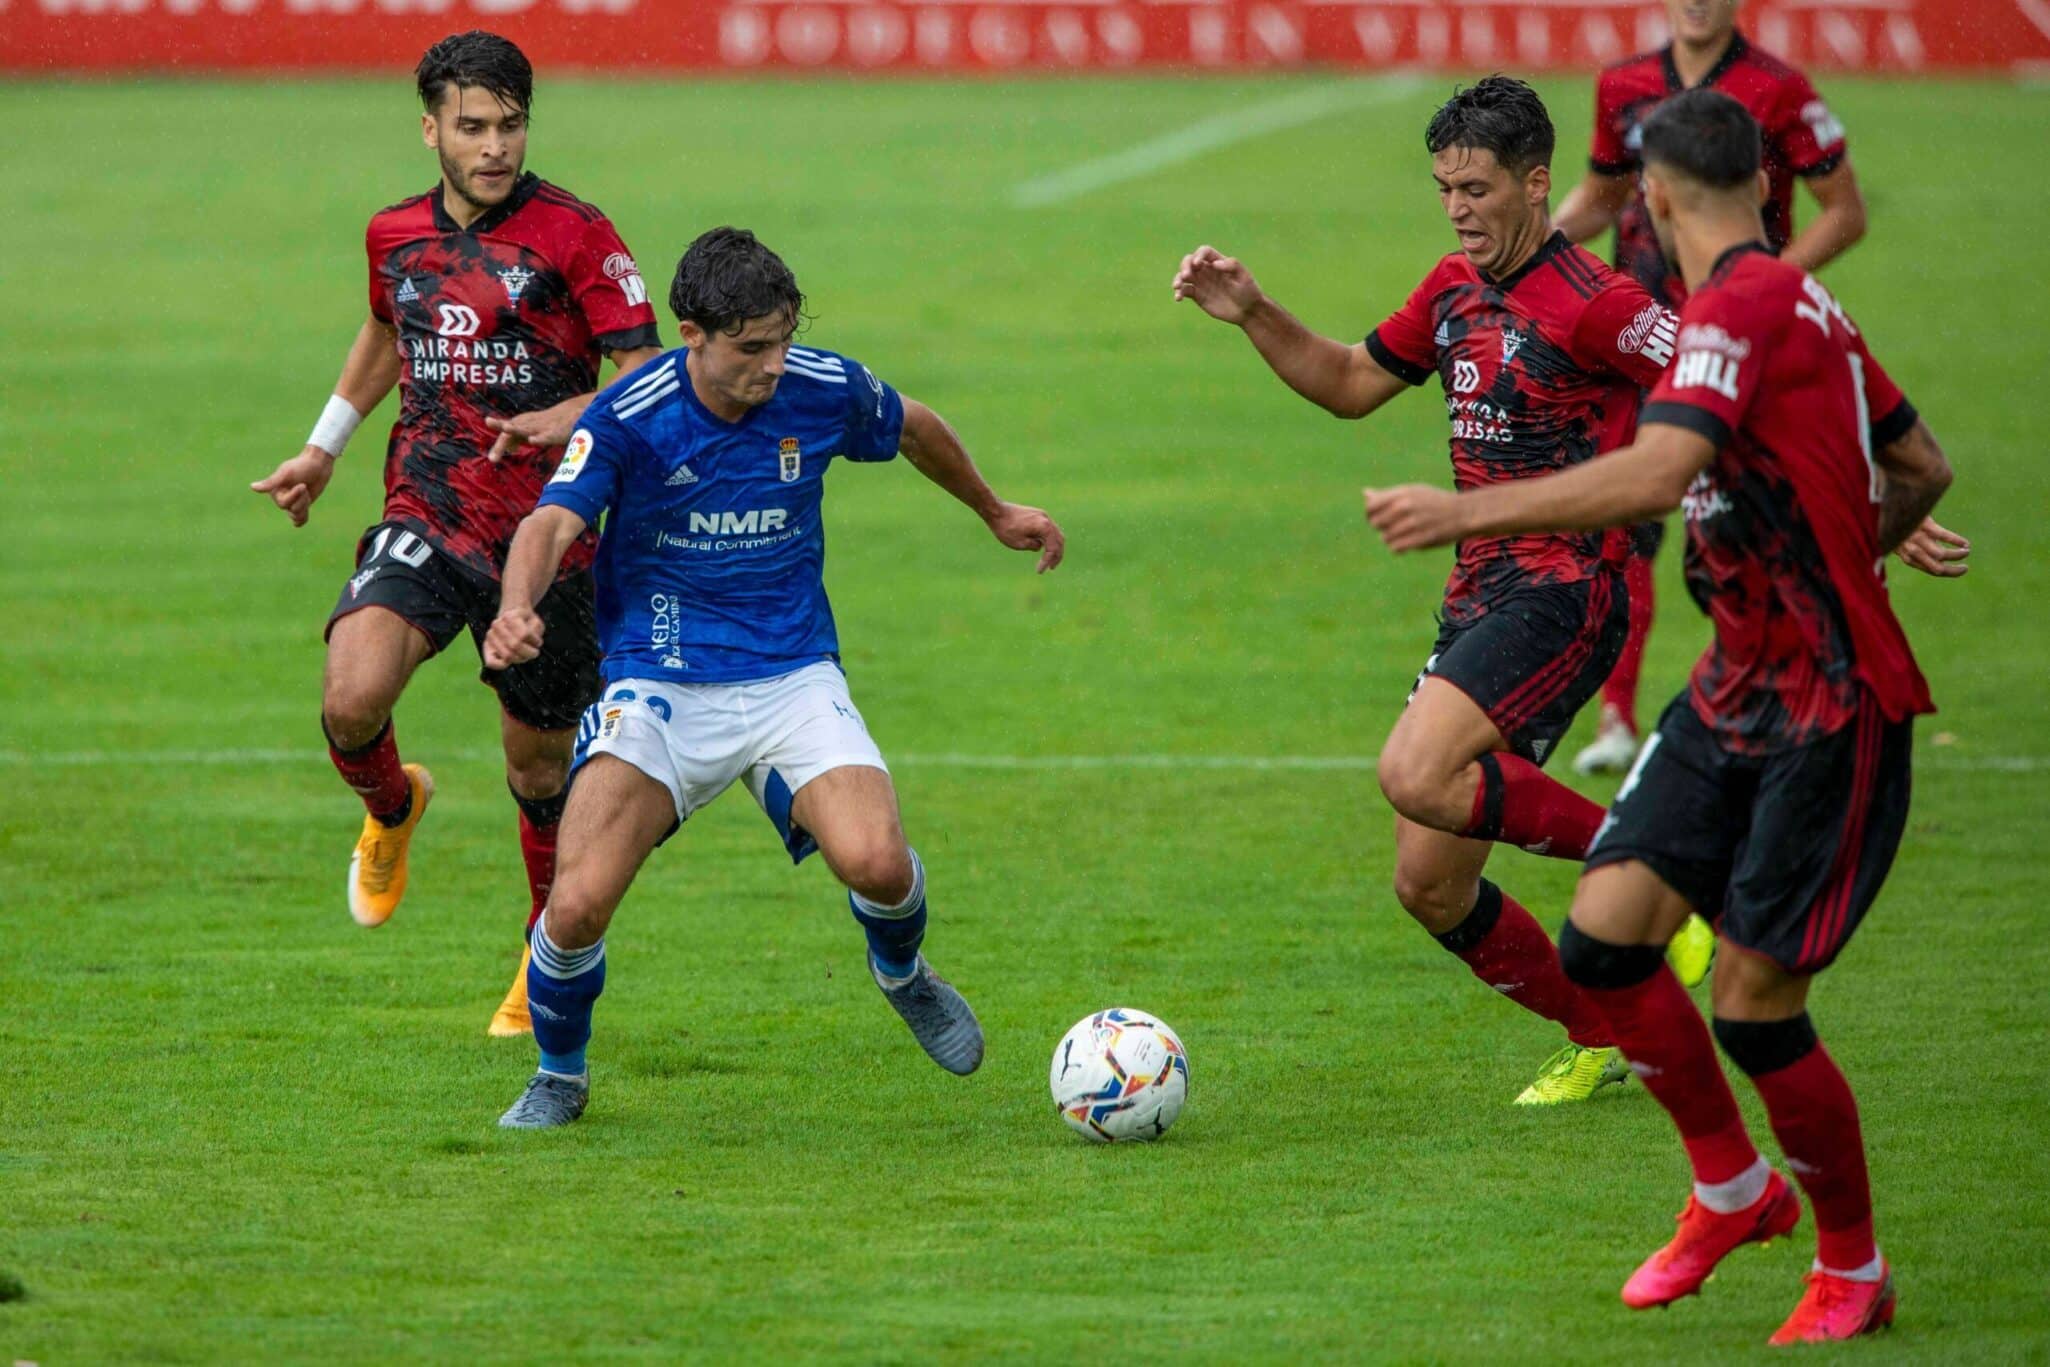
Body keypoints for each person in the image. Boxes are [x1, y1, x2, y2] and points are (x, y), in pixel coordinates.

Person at [1365, 88, 1965, 1344]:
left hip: (1828, 696)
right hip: (1731, 682)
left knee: (1752, 1005)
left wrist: (1464, 511)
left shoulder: (1730, 311)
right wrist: (1858, 534)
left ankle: (1850, 1266)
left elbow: (1657, 471)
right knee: (1604, 940)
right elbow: (1916, 462)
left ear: (1650, 199)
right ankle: (1731, 1188)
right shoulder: (1794, 306)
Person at [1173, 76, 1715, 1106]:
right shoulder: (1451, 290)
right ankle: (1602, 1032)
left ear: (1534, 183)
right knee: (1428, 880)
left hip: (1567, 590)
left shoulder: (1601, 305)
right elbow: (1347, 382)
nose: (1459, 207)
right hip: (1478, 596)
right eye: (1443, 188)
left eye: (1475, 187)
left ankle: (1654, 871)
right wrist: (1250, 311)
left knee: (1413, 770)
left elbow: (1717, 380)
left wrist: (1860, 495)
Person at [483, 227, 1065, 1129]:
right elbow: (549, 524)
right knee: (578, 902)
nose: (773, 363)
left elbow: (913, 424)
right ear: (693, 335)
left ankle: (903, 971)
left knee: (875, 860)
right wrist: (519, 605)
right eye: (752, 347)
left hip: (791, 671)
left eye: (784, 338)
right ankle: (560, 1074)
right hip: (661, 680)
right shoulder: (630, 415)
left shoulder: (820, 387)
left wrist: (994, 510)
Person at [250, 32, 663, 1037]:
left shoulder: (577, 236)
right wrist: (323, 446)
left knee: (537, 770)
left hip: (550, 534)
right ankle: (393, 805)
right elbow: (390, 331)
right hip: (427, 508)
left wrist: (569, 419)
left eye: (510, 125)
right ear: (430, 127)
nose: (494, 147)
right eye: (472, 127)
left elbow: (647, 378)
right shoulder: (392, 233)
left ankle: (542, 956)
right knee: (350, 696)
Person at [1554, 0, 1877, 774]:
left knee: (1745, 517)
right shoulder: (1621, 85)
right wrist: (1522, 259)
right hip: (1640, 341)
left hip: (1738, 342)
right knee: (1629, 517)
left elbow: (1845, 212)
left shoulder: (1781, 91)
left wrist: (1761, 285)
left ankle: (1776, 689)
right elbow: (1600, 199)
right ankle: (1617, 718)